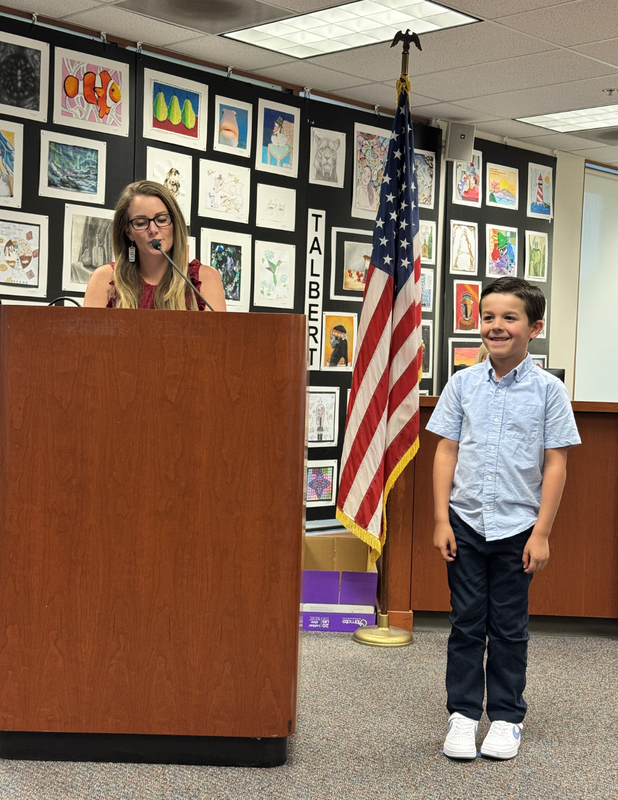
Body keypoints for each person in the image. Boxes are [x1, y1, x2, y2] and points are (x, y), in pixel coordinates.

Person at [426, 277, 580, 761]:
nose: (497, 326)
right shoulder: (462, 384)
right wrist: (440, 519)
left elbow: (556, 462)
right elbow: (446, 450)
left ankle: (507, 717)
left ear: (534, 327)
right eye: (488, 316)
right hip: (466, 523)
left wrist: (542, 533)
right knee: (467, 623)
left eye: (509, 318)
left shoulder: (549, 391)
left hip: (518, 529)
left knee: (509, 627)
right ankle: (464, 713)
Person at [84, 180, 226, 311]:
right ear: (128, 232)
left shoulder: (204, 279)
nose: (153, 229)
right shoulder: (104, 279)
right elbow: (88, 338)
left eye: (162, 219)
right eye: (141, 223)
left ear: (175, 224)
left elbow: (220, 337)